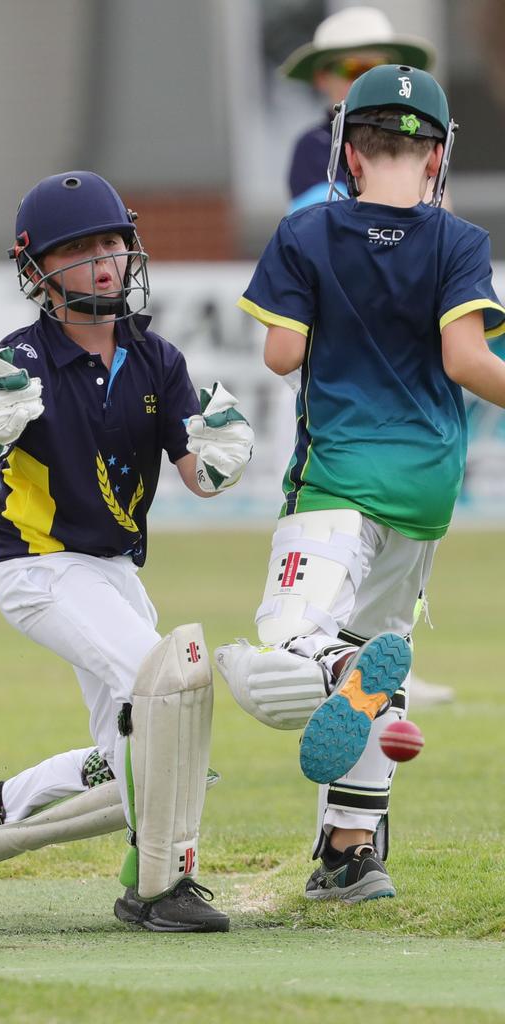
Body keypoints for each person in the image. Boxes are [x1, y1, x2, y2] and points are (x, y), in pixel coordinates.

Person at [0, 171, 254, 932]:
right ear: (36, 270)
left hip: (111, 573)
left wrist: (221, 457)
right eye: (77, 250)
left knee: (138, 759)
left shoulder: (157, 358)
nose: (102, 261)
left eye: (111, 242)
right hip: (38, 569)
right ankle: (162, 887)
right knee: (170, 692)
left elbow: (198, 476)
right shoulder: (22, 355)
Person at [216, 65, 505, 903]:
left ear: (346, 147)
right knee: (385, 659)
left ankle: (341, 666)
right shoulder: (460, 243)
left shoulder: (307, 233)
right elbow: (466, 361)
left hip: (338, 482)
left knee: (279, 653)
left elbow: (281, 356)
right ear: (437, 155)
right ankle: (349, 853)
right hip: (425, 494)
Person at [281, 8, 452, 707]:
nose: (357, 80)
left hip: (412, 368)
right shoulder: (310, 150)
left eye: (370, 66)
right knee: (339, 522)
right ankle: (330, 656)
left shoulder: (429, 158)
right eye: (346, 69)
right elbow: (323, 234)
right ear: (324, 78)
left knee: (409, 527)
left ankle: (383, 658)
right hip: (347, 359)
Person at [282, 6, 435, 212]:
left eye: (377, 69)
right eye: (352, 69)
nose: (367, 81)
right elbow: (325, 225)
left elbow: (438, 216)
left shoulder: (416, 135)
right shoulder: (313, 147)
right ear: (322, 78)